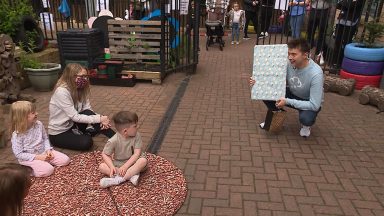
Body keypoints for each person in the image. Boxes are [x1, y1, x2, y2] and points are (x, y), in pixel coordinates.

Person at [250, 38, 323, 137]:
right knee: (265, 91)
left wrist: (287, 101)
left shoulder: (316, 73)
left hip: (308, 100)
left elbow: (315, 105)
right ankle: (276, 117)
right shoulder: (288, 63)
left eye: (294, 54)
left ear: (305, 55)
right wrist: (258, 82)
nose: (289, 57)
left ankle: (306, 126)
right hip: (293, 93)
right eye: (289, 53)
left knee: (306, 119)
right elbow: (272, 77)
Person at [48, 63, 115, 151]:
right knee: (86, 142)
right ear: (71, 76)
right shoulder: (62, 92)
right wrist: (99, 119)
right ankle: (86, 132)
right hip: (59, 133)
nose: (85, 79)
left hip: (72, 125)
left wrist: (101, 119)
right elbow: (75, 117)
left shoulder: (81, 89)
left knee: (90, 114)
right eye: (82, 76)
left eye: (86, 76)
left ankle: (115, 138)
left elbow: (88, 110)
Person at [10, 101, 70, 177]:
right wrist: (39, 157)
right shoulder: (17, 135)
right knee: (48, 170)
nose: (36, 113)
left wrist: (48, 150)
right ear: (23, 117)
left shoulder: (39, 124)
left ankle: (44, 163)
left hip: (44, 152)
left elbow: (45, 138)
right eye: (33, 113)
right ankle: (27, 170)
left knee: (65, 160)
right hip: (30, 158)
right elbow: (19, 154)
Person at [99, 111, 148, 188]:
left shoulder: (137, 136)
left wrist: (125, 167)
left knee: (143, 161)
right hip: (118, 164)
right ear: (125, 131)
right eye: (135, 126)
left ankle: (117, 180)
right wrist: (111, 166)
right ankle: (131, 175)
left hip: (133, 163)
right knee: (102, 166)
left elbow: (137, 154)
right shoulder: (113, 140)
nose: (137, 128)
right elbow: (105, 154)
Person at [330, 0, 364, 69]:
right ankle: (334, 63)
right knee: (337, 41)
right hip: (341, 21)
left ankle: (342, 64)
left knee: (346, 43)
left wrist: (345, 3)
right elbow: (338, 5)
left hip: (351, 23)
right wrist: (346, 3)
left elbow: (350, 6)